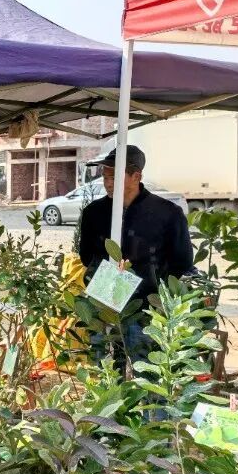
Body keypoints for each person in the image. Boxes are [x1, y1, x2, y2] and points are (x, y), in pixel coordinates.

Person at [77, 145, 194, 370]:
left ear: (136, 176)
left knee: (148, 372)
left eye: (114, 177)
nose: (107, 183)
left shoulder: (167, 213)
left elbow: (182, 262)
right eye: (105, 177)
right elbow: (86, 256)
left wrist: (153, 285)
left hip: (146, 308)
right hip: (103, 303)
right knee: (105, 372)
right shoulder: (94, 213)